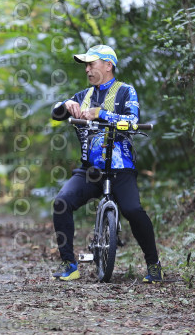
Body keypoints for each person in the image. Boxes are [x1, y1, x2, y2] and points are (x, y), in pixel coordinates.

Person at [50, 44, 163, 283]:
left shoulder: (125, 91)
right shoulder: (84, 95)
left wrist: (100, 114)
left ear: (108, 65)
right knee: (61, 203)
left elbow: (133, 121)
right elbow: (56, 114)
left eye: (92, 64)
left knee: (133, 210)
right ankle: (69, 264)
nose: (87, 69)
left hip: (121, 168)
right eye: (86, 65)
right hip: (89, 170)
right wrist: (65, 105)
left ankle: (153, 265)